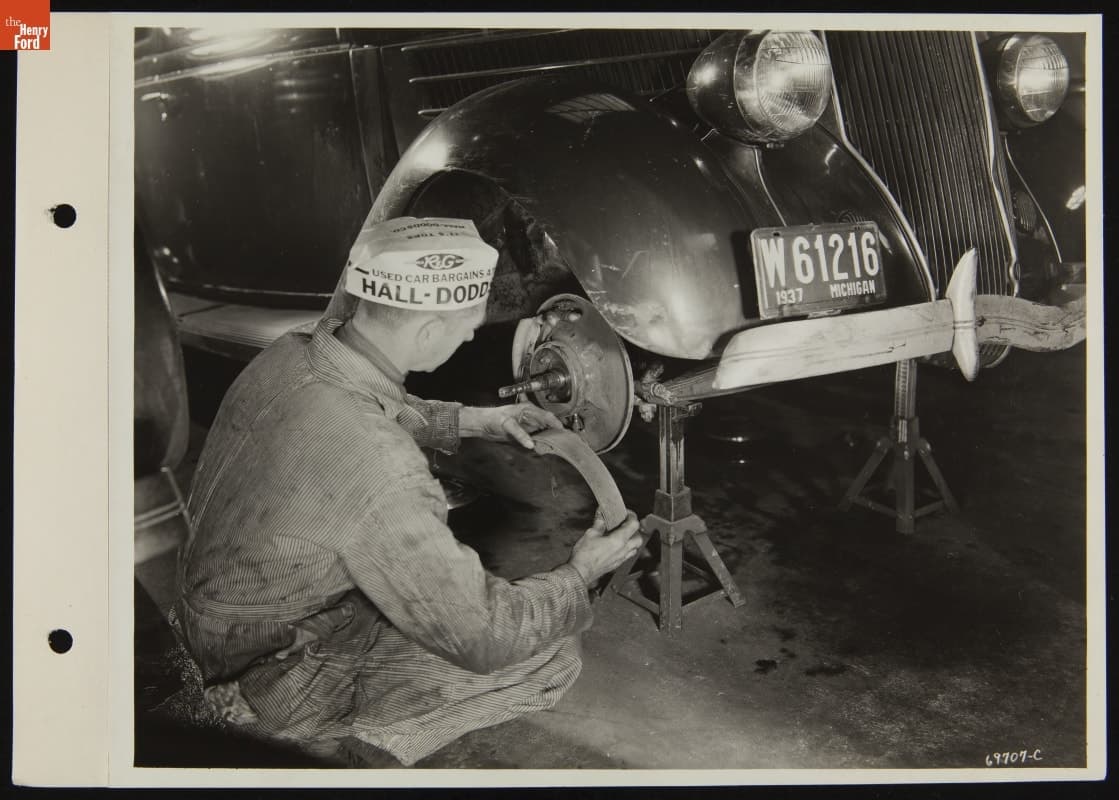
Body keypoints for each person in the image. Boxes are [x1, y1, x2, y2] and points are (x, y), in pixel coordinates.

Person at [174, 216, 642, 766]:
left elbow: (357, 408)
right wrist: (580, 573)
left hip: (218, 620)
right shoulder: (383, 467)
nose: (470, 336)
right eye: (466, 325)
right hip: (279, 674)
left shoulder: (295, 353)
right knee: (552, 656)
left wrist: (475, 421)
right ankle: (335, 756)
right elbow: (482, 636)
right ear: (426, 332)